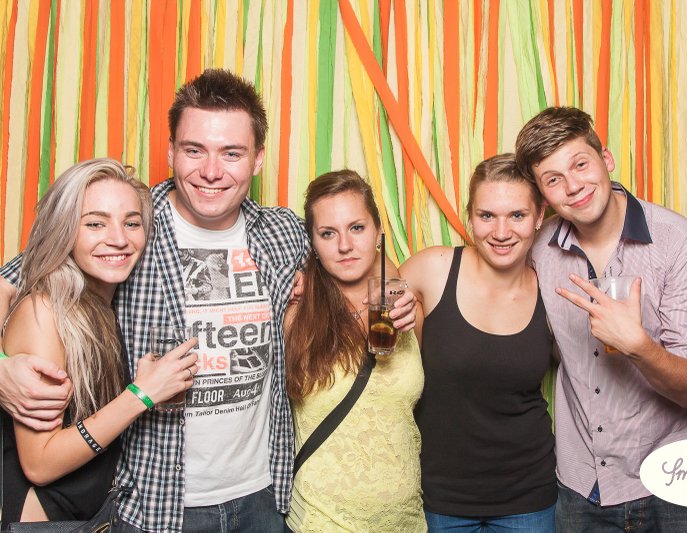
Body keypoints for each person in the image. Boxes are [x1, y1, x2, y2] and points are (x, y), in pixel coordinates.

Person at [0, 69, 415, 532]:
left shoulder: (281, 232)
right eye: (194, 150)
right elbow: (17, 280)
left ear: (258, 158)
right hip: (155, 504)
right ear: (170, 151)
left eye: (231, 153)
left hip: (263, 497)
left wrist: (395, 290)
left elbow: (358, 253)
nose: (212, 171)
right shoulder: (130, 223)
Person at [515, 106, 687, 531]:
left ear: (605, 159)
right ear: (543, 196)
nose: (573, 186)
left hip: (676, 480)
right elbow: (485, 277)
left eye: (580, 164)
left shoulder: (678, 243)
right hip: (583, 486)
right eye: (553, 179)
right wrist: (405, 292)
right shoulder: (537, 251)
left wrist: (639, 346)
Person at [1, 159, 198, 527]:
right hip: (43, 519)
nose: (119, 239)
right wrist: (141, 394)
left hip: (93, 514)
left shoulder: (107, 300)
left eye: (131, 223)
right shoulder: (45, 312)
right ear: (63, 230)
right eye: (95, 223)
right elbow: (39, 464)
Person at [400, 154, 557, 531]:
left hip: (529, 499)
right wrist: (304, 275)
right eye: (487, 215)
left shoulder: (553, 287)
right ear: (469, 216)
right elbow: (365, 294)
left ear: (539, 216)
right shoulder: (435, 269)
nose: (501, 232)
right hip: (440, 498)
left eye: (517, 215)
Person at [283, 170, 425, 532]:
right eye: (328, 233)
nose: (344, 245)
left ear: (378, 232)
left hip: (406, 521)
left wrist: (391, 279)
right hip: (320, 522)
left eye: (357, 228)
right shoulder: (296, 313)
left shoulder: (406, 308)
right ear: (313, 243)